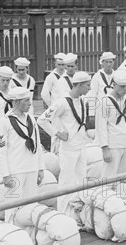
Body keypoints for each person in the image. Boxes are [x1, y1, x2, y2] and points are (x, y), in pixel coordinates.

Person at [38, 71, 92, 212]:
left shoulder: (82, 100)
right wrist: (57, 133)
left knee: (81, 180)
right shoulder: (62, 102)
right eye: (87, 85)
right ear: (79, 85)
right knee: (66, 182)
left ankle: (78, 212)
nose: (89, 88)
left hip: (81, 146)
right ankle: (62, 212)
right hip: (68, 149)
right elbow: (42, 119)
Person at [0, 87, 45, 223]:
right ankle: (11, 235)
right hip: (15, 171)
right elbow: (0, 150)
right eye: (26, 100)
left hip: (31, 168)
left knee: (32, 207)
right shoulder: (4, 122)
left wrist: (40, 168)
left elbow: (37, 143)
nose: (30, 103)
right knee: (12, 207)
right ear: (16, 102)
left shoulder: (31, 119)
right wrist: (5, 175)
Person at [95, 70, 126, 179]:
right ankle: (105, 195)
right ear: (114, 85)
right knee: (109, 176)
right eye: (121, 87)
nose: (124, 89)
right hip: (113, 144)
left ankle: (121, 195)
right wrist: (105, 149)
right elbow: (101, 127)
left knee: (125, 177)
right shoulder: (104, 101)